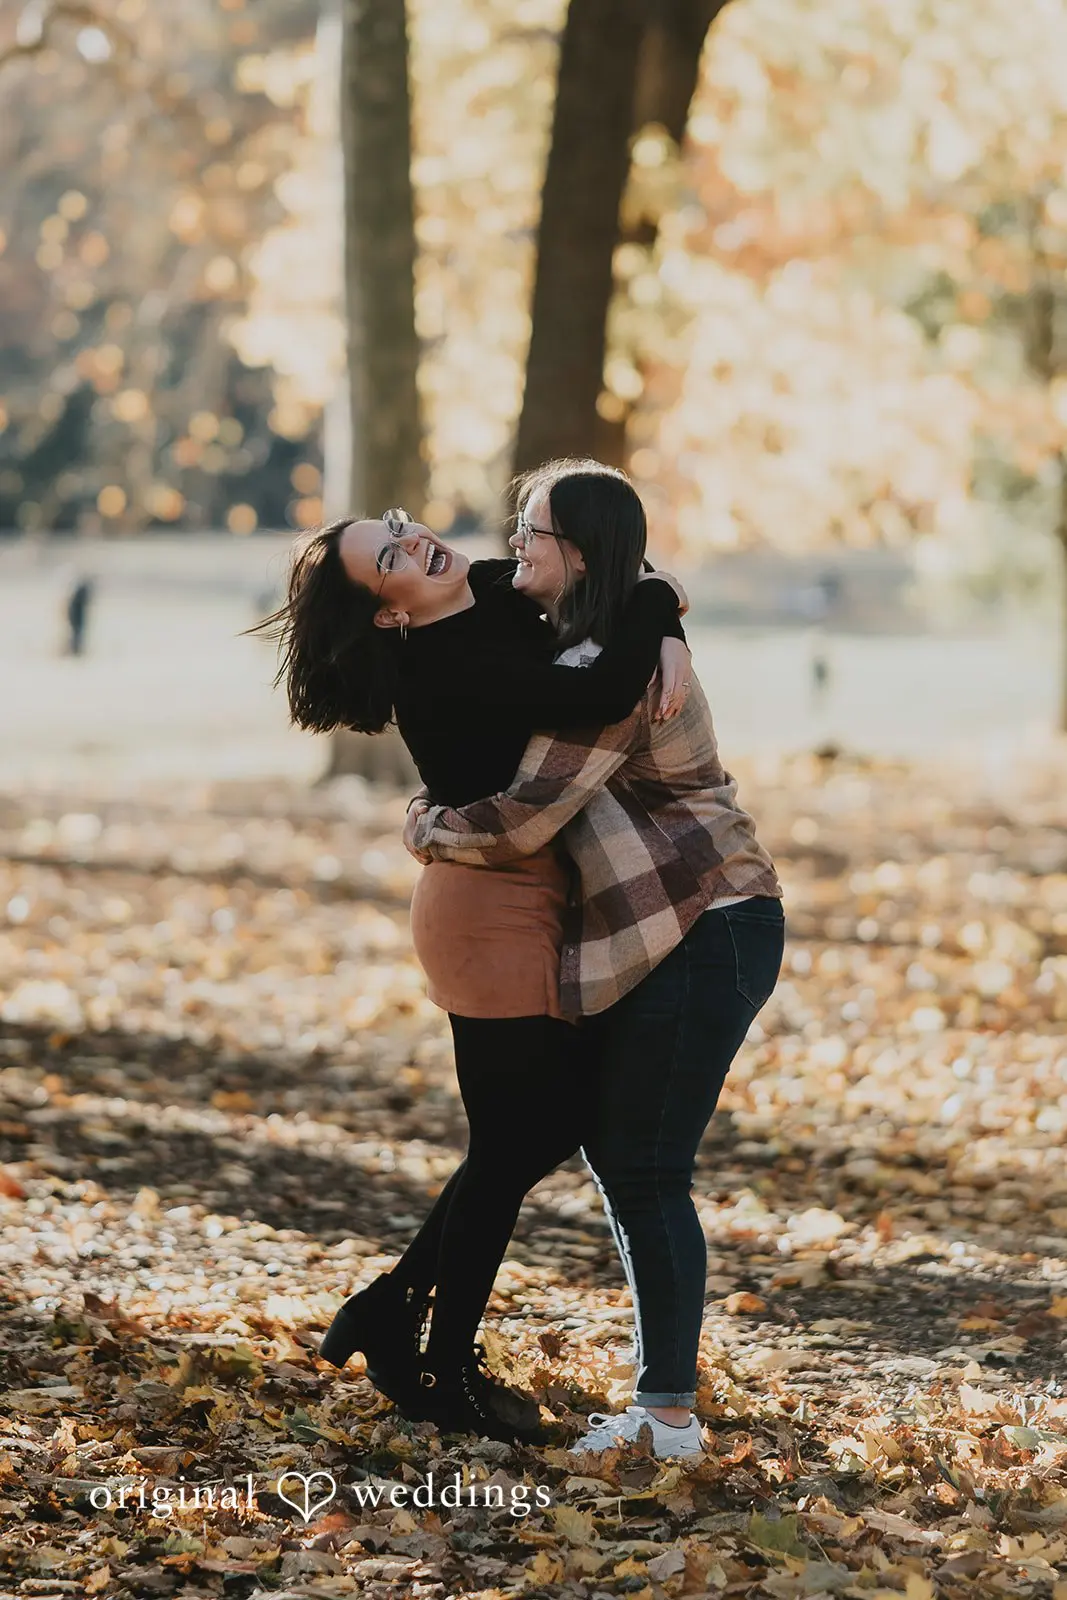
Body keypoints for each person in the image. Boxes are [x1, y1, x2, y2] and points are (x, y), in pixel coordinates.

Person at [254, 481, 691, 1444]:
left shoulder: (492, 590)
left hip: (533, 893)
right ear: (384, 608)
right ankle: (443, 1367)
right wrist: (659, 621)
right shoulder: (442, 668)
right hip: (481, 910)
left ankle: (391, 1308)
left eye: (404, 528)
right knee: (512, 1142)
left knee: (540, 1129)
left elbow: (604, 574)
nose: (420, 543)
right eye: (393, 557)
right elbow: (595, 691)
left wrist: (663, 616)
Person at [405, 459, 784, 1459]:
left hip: (707, 919)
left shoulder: (606, 674)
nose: (512, 544)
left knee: (644, 1164)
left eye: (530, 531)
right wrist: (664, 600)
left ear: (576, 553)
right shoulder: (582, 629)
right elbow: (477, 585)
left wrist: (422, 824)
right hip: (660, 926)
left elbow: (526, 819)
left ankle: (664, 1417)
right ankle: (660, 1403)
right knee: (621, 1158)